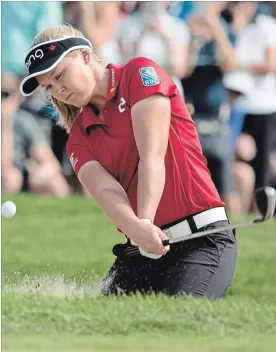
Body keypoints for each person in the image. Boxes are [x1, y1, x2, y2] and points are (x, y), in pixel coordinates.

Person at [19, 24, 237, 299]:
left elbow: (152, 155)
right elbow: (107, 192)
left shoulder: (139, 73)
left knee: (180, 324)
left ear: (85, 55)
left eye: (60, 75)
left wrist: (143, 222)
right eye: (49, 86)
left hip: (201, 239)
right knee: (98, 326)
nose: (59, 91)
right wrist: (139, 231)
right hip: (142, 247)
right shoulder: (77, 137)